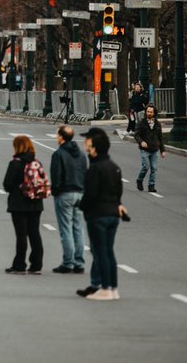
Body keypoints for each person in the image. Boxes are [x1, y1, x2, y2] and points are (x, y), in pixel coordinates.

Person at [78, 127, 126, 301]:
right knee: (108, 252)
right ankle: (113, 288)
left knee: (99, 253)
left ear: (94, 146)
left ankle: (105, 289)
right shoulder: (114, 167)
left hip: (98, 215)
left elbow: (90, 194)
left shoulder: (95, 168)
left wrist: (82, 206)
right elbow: (118, 192)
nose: (85, 144)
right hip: (113, 214)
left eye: (87, 141)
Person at [2, 134, 46, 274]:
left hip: (19, 204)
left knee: (21, 235)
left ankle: (19, 264)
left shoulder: (15, 163)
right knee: (35, 233)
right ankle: (36, 265)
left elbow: (7, 185)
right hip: (36, 203)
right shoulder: (36, 163)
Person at [48, 125, 86, 274]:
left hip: (65, 193)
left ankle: (68, 262)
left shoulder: (59, 154)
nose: (56, 137)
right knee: (78, 229)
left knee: (66, 229)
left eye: (57, 135)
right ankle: (79, 262)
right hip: (80, 193)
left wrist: (55, 191)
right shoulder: (82, 154)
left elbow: (56, 175)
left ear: (62, 137)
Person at [135, 105, 165, 193]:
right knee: (146, 166)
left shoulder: (157, 124)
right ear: (145, 112)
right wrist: (141, 142)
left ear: (154, 113)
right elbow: (137, 135)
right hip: (145, 149)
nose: (149, 113)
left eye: (151, 112)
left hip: (154, 149)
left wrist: (162, 150)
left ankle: (151, 185)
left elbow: (160, 138)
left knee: (154, 168)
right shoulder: (141, 123)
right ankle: (139, 180)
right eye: (148, 112)